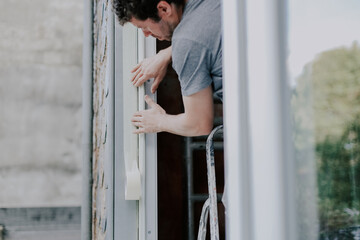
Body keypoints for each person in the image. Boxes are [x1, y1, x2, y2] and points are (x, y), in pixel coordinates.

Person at [112, 0, 222, 137]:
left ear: (164, 9)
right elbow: (205, 31)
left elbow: (199, 124)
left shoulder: (185, 43)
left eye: (144, 27)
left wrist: (160, 121)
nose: (145, 34)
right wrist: (167, 53)